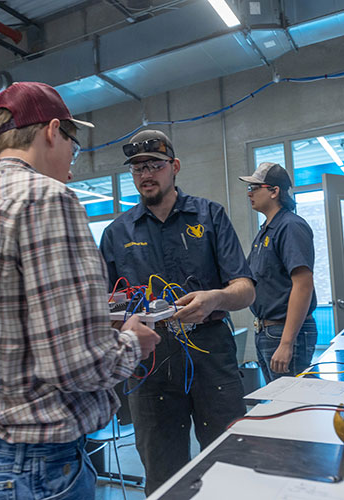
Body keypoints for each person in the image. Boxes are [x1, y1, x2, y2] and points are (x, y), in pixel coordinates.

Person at [0, 82, 160, 500]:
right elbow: (76, 364)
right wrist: (131, 342)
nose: (72, 158)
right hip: (40, 470)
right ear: (53, 131)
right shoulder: (49, 199)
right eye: (73, 141)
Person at [99, 129, 255, 495]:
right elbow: (107, 305)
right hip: (150, 363)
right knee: (162, 473)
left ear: (175, 167)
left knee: (229, 463)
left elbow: (245, 289)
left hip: (211, 354)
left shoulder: (210, 216)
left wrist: (215, 298)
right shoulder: (116, 233)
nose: (145, 174)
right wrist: (123, 316)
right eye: (137, 168)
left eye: (154, 164)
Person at [239, 162, 317, 383]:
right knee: (279, 401)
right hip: (267, 330)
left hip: (283, 331)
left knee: (292, 405)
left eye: (255, 188)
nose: (249, 193)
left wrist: (286, 342)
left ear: (274, 191)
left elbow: (303, 284)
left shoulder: (290, 226)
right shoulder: (267, 230)